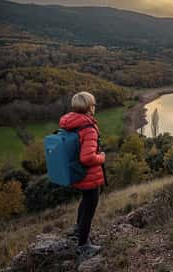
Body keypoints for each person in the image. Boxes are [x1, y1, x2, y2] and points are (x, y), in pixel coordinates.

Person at [59, 91, 106, 259]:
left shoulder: (71, 122)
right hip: (89, 175)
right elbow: (87, 158)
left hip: (77, 173)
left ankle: (78, 231)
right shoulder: (89, 128)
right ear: (88, 107)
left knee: (85, 203)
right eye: (93, 104)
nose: (94, 107)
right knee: (89, 209)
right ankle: (83, 245)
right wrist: (101, 157)